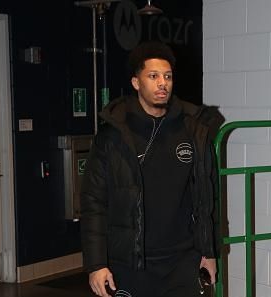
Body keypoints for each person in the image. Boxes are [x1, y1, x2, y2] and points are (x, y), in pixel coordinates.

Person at [80, 41, 224, 297]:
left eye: (167, 77)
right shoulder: (113, 135)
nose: (162, 83)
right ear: (136, 82)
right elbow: (93, 202)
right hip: (131, 263)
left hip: (182, 260)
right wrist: (96, 264)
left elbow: (206, 199)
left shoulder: (194, 130)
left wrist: (209, 252)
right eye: (153, 76)